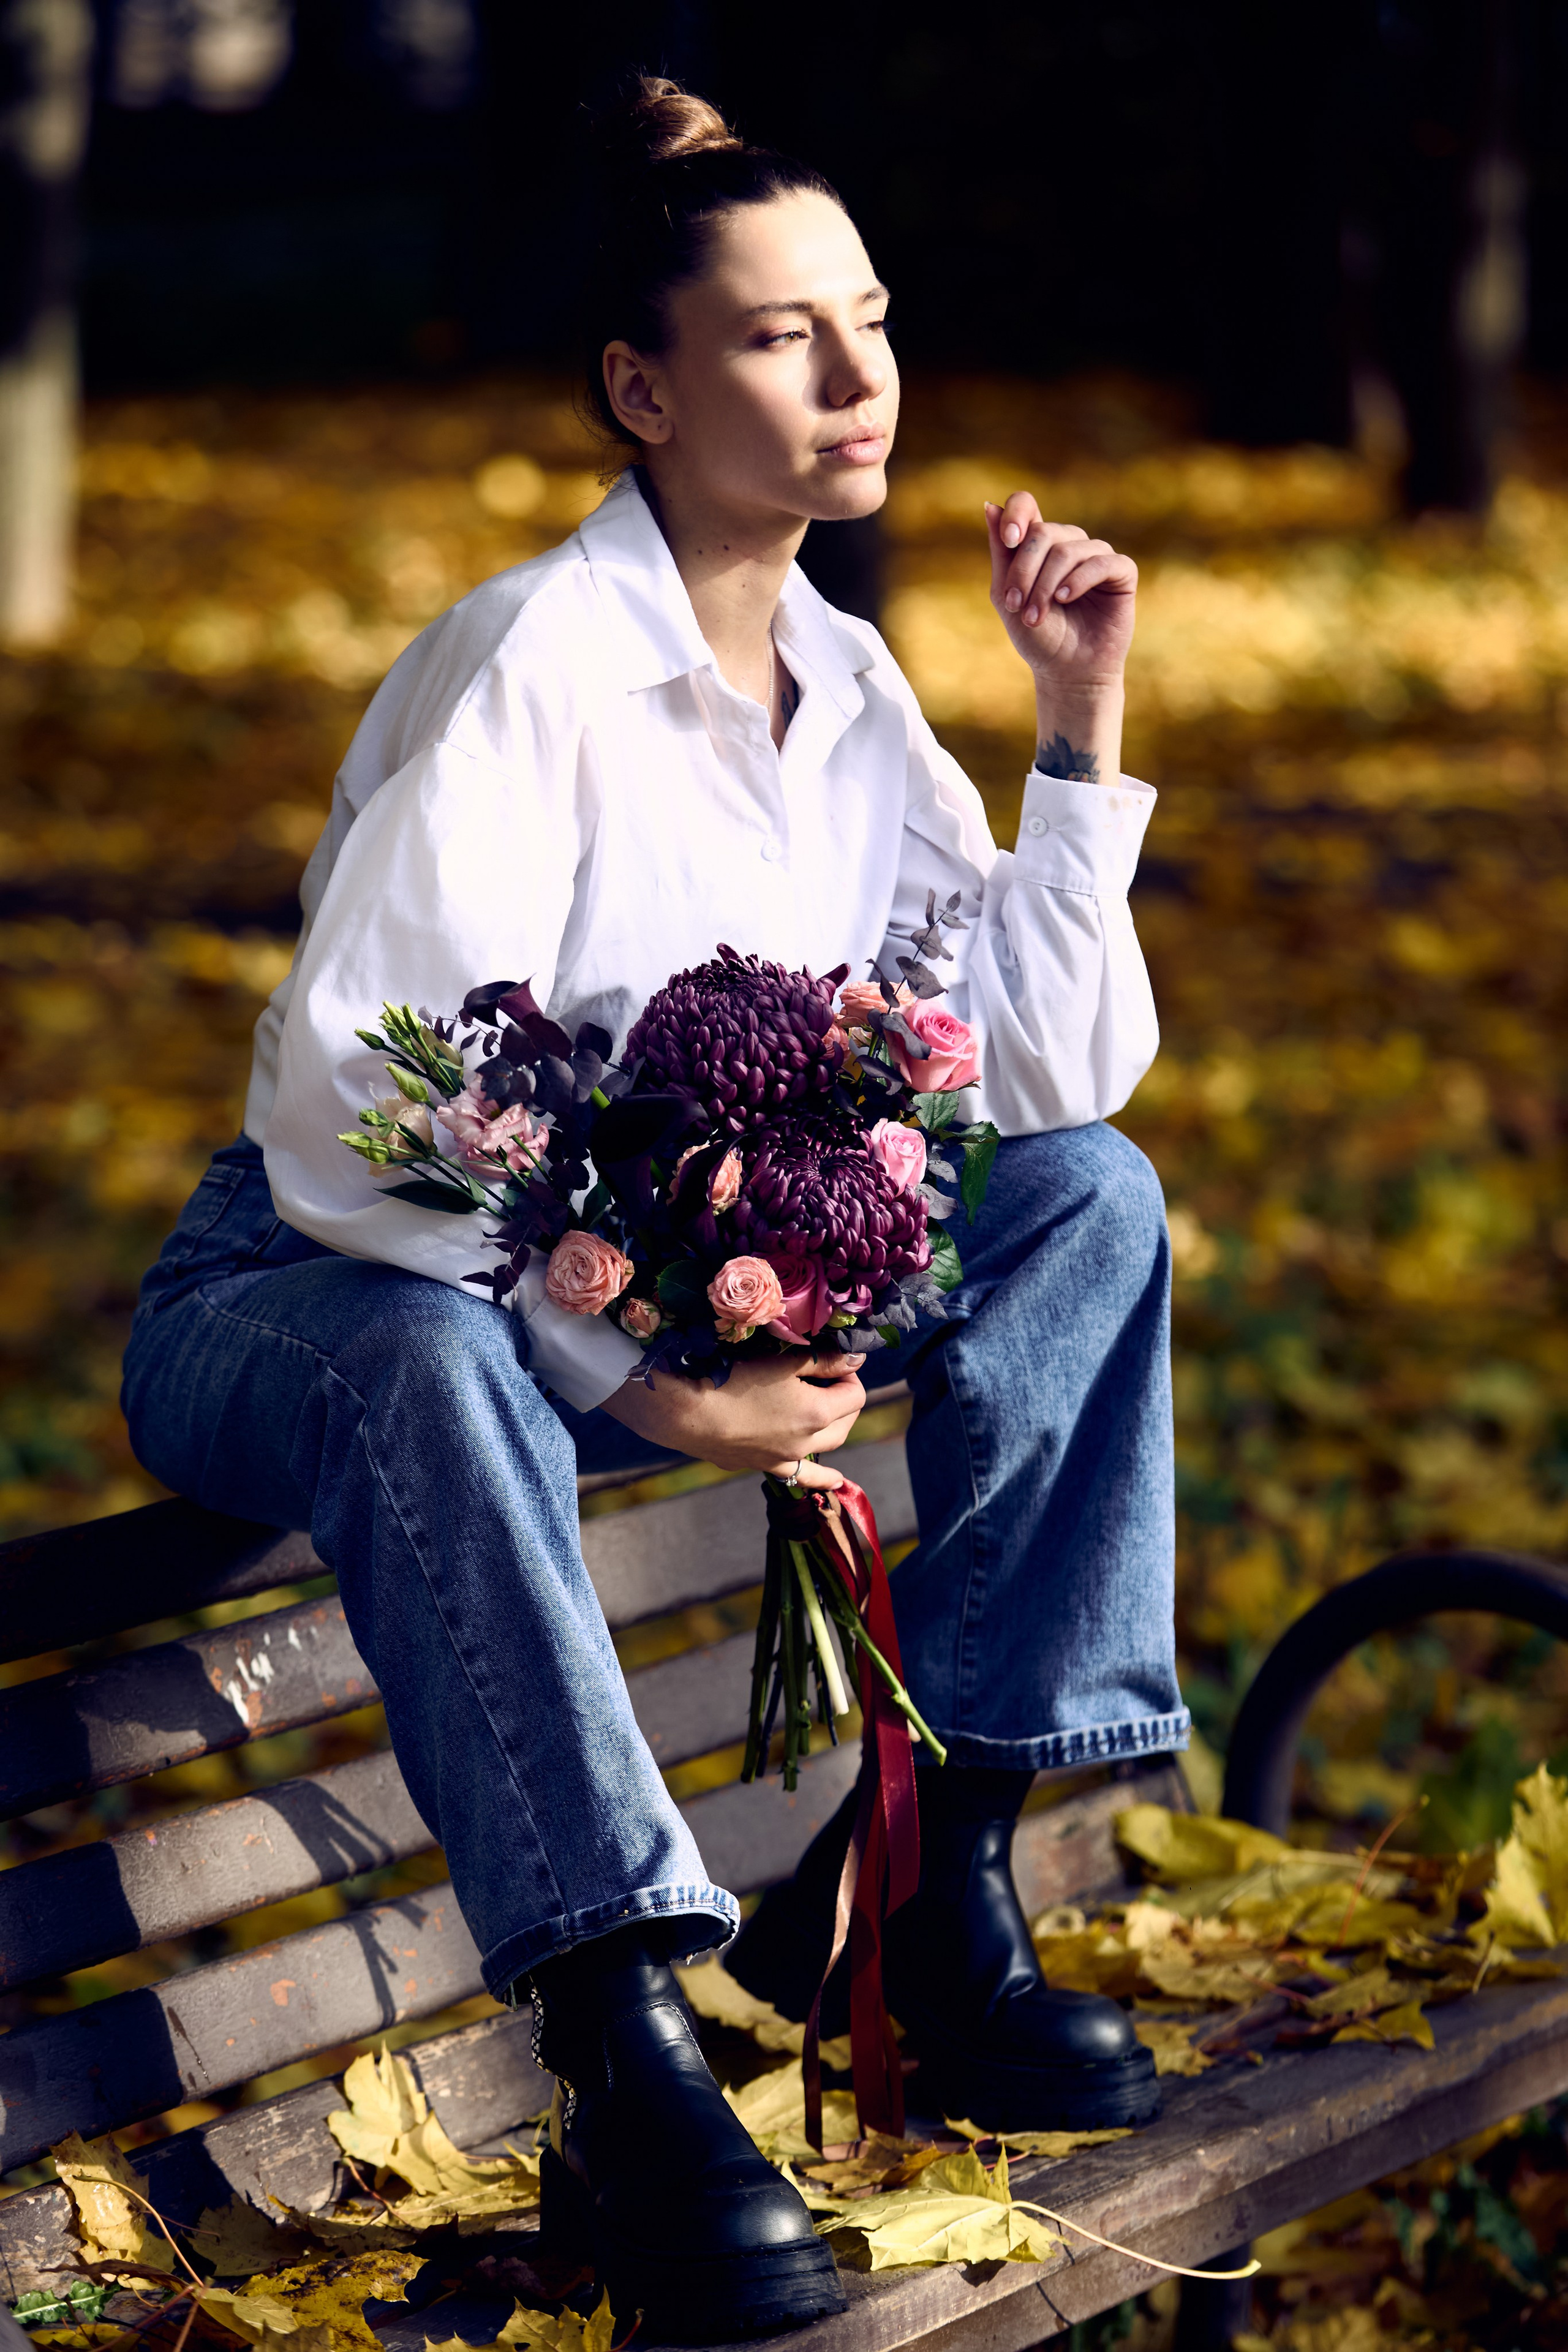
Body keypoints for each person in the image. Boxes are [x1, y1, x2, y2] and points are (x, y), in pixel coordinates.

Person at [121, 76, 1187, 2342]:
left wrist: (1079, 729)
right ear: (643, 388)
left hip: (629, 1312)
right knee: (429, 1348)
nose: (858, 374)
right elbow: (361, 1105)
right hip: (308, 1289)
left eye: (871, 321)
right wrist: (630, 1371)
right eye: (785, 335)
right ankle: (622, 2047)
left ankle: (932, 1886)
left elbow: (1045, 1082)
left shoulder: (850, 687)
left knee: (1090, 1202)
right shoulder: (531, 666)